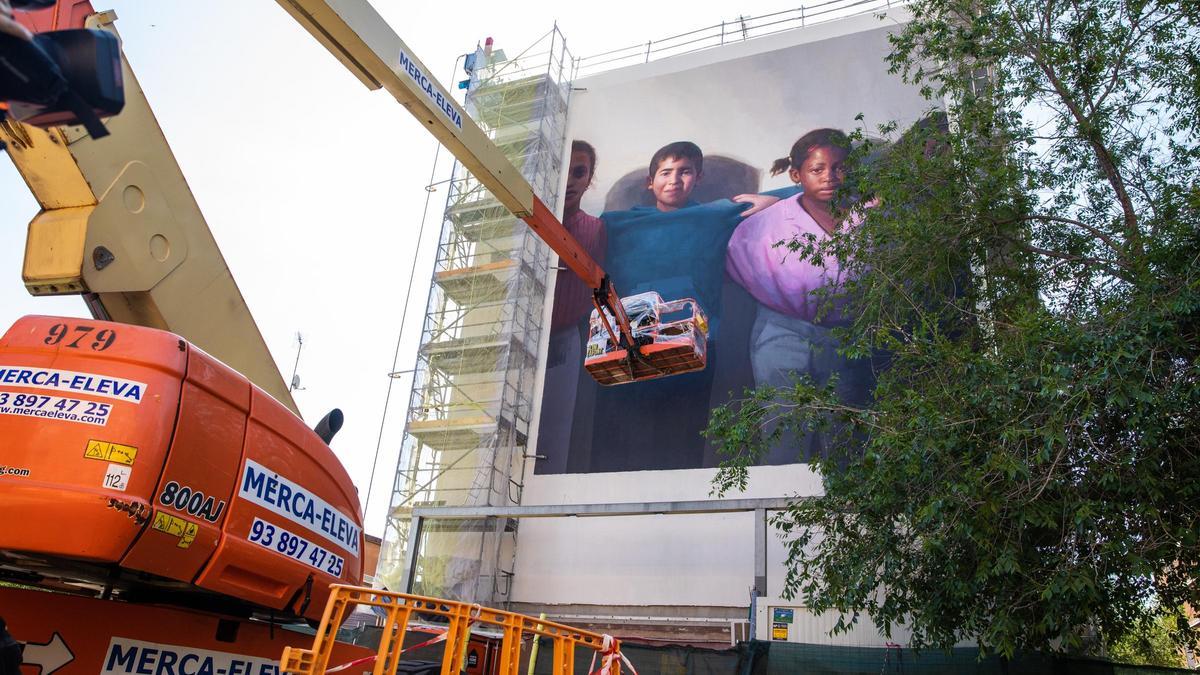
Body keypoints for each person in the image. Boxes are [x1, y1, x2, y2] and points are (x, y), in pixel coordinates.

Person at [726, 128, 875, 462]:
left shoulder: (869, 216)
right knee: (784, 422)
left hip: (845, 333)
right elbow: (728, 255)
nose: (830, 177)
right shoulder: (765, 222)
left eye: (840, 167)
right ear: (797, 174)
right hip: (781, 332)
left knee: (844, 427)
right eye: (817, 169)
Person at [537, 141, 606, 473]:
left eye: (580, 173)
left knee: (553, 434)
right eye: (565, 170)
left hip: (564, 338)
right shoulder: (528, 214)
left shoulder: (596, 228)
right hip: (524, 333)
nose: (570, 181)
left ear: (589, 178)